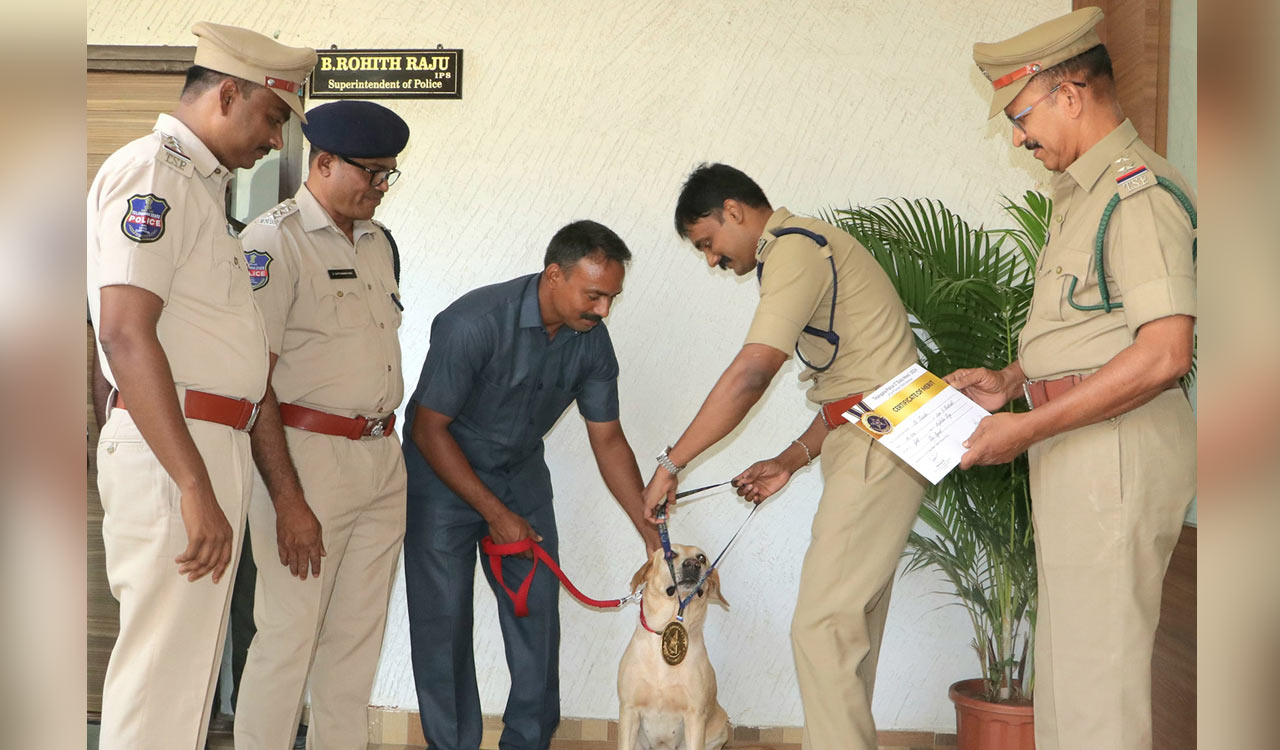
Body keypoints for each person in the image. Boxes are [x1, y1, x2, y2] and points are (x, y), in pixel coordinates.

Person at [950, 8, 1196, 750]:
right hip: (1077, 446)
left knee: (1099, 689)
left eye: (1021, 115)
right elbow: (1090, 326)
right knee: (1067, 681)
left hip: (1112, 452)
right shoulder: (1080, 195)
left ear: (1070, 94)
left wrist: (1025, 426)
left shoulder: (1136, 192)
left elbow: (1163, 354)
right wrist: (1011, 379)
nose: (1019, 135)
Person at [639, 163, 927, 750]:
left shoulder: (795, 249)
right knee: (848, 635)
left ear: (734, 211)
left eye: (709, 244)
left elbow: (752, 372)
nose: (714, 261)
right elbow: (859, 386)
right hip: (878, 434)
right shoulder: (809, 248)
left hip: (881, 443)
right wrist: (791, 460)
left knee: (822, 629)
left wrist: (672, 464)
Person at [86, 21, 315, 750]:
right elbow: (124, 332)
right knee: (159, 678)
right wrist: (190, 483)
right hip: (174, 450)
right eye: (274, 117)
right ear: (228, 94)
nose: (276, 141)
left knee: (182, 677)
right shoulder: (154, 172)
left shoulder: (198, 187)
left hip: (205, 442)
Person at [403, 220, 660, 750]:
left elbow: (608, 440)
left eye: (612, 297)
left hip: (520, 476)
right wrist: (495, 514)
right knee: (443, 622)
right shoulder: (473, 321)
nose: (604, 309)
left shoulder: (592, 342)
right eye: (594, 295)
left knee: (537, 618)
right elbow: (427, 428)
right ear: (553, 276)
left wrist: (651, 531)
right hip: (442, 476)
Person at [232, 100, 412, 750]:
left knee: (354, 646)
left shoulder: (377, 243)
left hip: (380, 460)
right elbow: (255, 381)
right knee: (287, 639)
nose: (381, 186)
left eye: (391, 174)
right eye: (371, 172)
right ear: (325, 161)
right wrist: (287, 500)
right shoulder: (272, 243)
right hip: (306, 464)